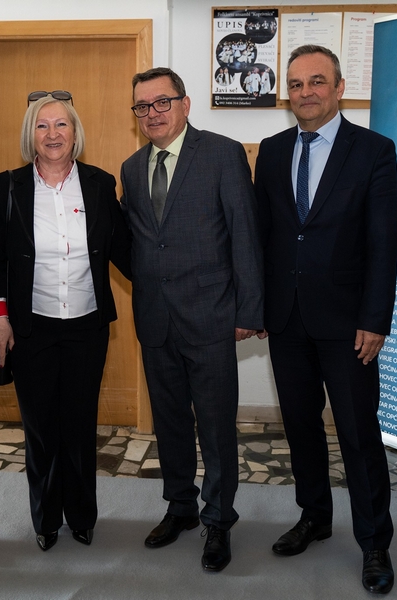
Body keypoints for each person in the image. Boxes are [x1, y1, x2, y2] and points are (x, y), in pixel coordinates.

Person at [254, 44, 397, 594]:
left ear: (339, 88)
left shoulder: (374, 150)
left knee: (359, 434)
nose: (306, 92)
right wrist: (257, 306)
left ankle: (374, 542)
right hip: (286, 319)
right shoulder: (272, 151)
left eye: (317, 81)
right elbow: (265, 236)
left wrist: (375, 318)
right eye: (295, 84)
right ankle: (314, 516)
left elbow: (384, 241)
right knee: (300, 426)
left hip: (349, 325)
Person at [119, 67, 262, 572]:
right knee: (170, 422)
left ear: (185, 103)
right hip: (156, 320)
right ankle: (179, 506)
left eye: (162, 102)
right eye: (142, 106)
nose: (152, 113)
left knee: (216, 427)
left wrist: (249, 310)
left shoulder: (222, 154)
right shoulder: (131, 168)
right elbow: (138, 242)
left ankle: (218, 520)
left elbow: (245, 233)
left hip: (212, 316)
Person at [0, 92, 131, 552]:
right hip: (32, 327)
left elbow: (124, 250)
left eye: (61, 124)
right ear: (31, 135)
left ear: (75, 132)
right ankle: (46, 519)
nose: (52, 134)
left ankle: (82, 516)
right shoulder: (6, 187)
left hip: (87, 325)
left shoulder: (100, 184)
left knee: (80, 424)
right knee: (41, 428)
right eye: (42, 125)